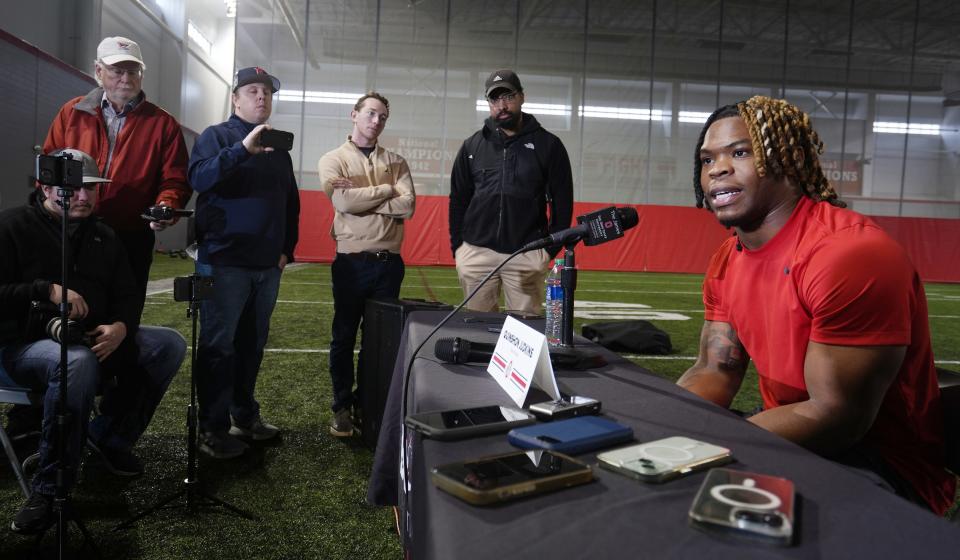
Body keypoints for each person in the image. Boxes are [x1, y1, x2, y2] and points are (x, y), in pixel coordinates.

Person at [677, 96, 955, 515]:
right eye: (707, 159)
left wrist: (712, 445)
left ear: (787, 159)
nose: (717, 169)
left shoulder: (848, 254)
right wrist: (663, 426)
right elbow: (715, 370)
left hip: (880, 465)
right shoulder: (727, 258)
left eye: (740, 152)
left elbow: (837, 418)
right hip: (789, 428)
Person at [0, 149, 185, 534]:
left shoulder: (104, 234)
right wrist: (44, 291)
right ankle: (51, 490)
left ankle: (108, 440)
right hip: (20, 346)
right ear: (46, 187)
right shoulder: (11, 226)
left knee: (168, 344)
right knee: (77, 361)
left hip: (89, 339)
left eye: (90, 188)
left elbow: (128, 294)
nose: (84, 197)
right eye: (74, 188)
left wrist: (121, 326)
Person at [188, 66, 300, 458]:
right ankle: (212, 429)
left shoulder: (279, 149)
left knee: (251, 345)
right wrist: (241, 151)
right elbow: (199, 179)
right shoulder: (216, 137)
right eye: (252, 91)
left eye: (267, 92)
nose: (261, 98)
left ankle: (244, 415)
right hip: (223, 262)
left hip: (266, 266)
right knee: (219, 347)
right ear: (235, 99)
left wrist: (287, 249)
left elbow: (290, 203)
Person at [42, 36, 192, 313]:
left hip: (130, 236)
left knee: (125, 314)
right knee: (70, 311)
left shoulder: (164, 125)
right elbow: (50, 166)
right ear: (98, 71)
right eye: (117, 71)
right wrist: (51, 209)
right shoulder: (71, 113)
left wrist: (165, 206)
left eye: (133, 72)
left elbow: (175, 179)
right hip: (71, 231)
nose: (126, 78)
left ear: (141, 75)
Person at [317, 92, 415, 437]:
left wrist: (366, 199)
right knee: (344, 337)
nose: (377, 121)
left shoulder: (397, 160)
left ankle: (368, 405)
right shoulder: (332, 159)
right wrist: (387, 189)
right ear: (354, 115)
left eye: (383, 117)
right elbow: (342, 201)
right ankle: (342, 407)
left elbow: (408, 207)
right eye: (371, 113)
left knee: (378, 341)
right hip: (351, 263)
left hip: (389, 263)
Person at [448, 69, 573, 314]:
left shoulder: (549, 145)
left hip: (526, 252)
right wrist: (459, 248)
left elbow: (562, 203)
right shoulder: (472, 146)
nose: (502, 105)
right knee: (478, 330)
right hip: (476, 252)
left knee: (524, 333)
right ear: (488, 103)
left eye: (509, 96)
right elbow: (459, 200)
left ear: (522, 97)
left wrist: (546, 251)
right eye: (495, 99)